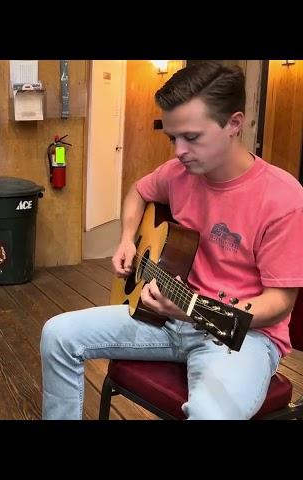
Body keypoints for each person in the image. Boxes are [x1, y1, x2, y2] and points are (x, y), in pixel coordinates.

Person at [40, 61, 303, 420]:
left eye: (191, 137)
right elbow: (137, 191)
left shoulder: (283, 197)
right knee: (58, 335)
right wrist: (127, 241)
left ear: (234, 124)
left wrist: (194, 310)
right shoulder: (179, 173)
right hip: (166, 318)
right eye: (171, 138)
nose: (178, 151)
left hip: (240, 336)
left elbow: (278, 304)